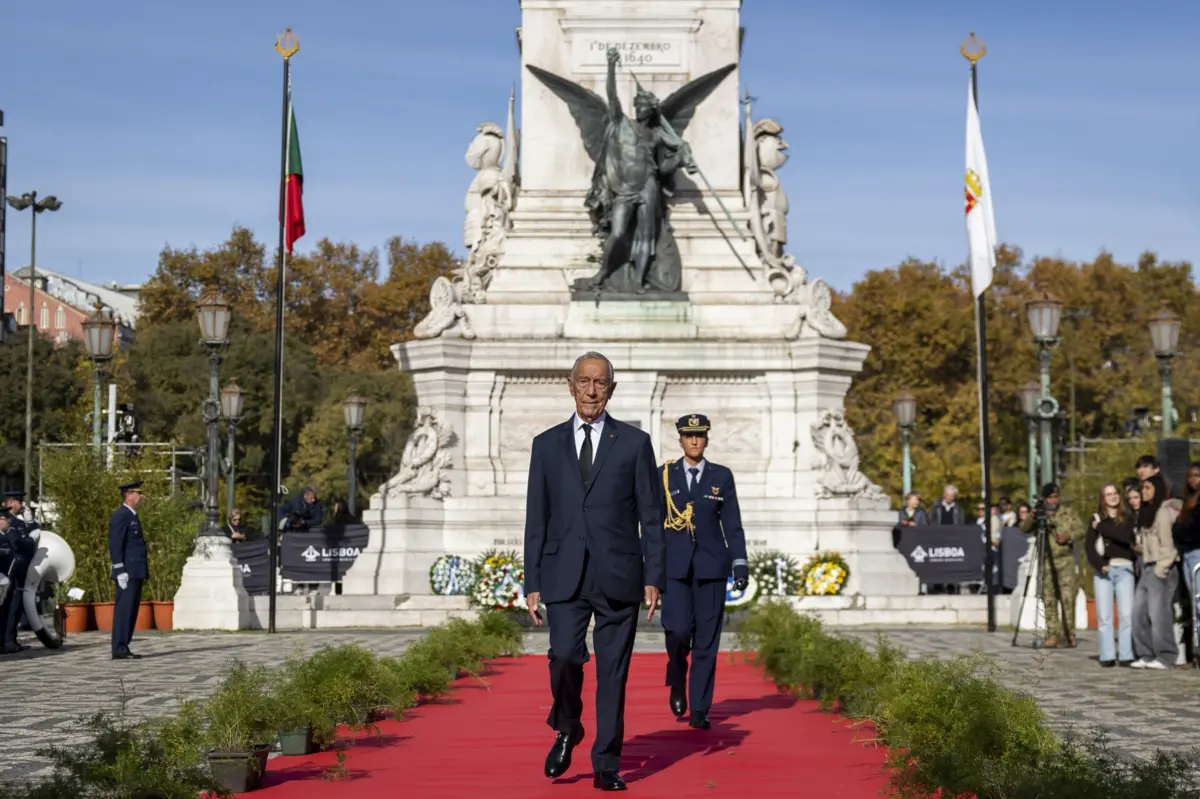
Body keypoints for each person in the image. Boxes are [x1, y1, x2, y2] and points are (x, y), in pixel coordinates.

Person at [523, 351, 665, 792]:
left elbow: (652, 516)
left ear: (611, 389)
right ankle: (567, 726)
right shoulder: (545, 445)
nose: (591, 390)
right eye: (583, 382)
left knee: (612, 675)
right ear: (570, 385)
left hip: (619, 574)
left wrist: (653, 576)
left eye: (600, 383)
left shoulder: (635, 443)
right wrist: (532, 581)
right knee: (563, 656)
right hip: (563, 573)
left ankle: (606, 763)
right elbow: (536, 517)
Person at [659, 414, 748, 729]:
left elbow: (732, 523)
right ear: (680, 439)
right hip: (675, 568)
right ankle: (677, 674)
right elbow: (653, 528)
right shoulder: (665, 476)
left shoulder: (720, 476)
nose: (694, 441)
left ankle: (699, 707)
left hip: (711, 566)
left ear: (706, 439)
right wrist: (651, 571)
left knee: (707, 641)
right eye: (688, 436)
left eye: (699, 436)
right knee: (679, 630)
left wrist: (740, 563)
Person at [1021, 482, 1083, 648]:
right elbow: (1024, 528)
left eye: (1056, 497)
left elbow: (1081, 530)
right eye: (1050, 497)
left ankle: (1069, 634)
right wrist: (1033, 516)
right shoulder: (1040, 516)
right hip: (1047, 561)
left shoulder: (1068, 513)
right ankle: (1052, 635)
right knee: (1048, 598)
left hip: (1065, 561)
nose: (1054, 500)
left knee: (1068, 598)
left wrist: (1068, 536)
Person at [1131, 474, 1179, 669]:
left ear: (1157, 490)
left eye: (1147, 488)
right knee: (1138, 613)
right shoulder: (1147, 513)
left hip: (1161, 568)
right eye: (1143, 489)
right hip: (1147, 567)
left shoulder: (1163, 513)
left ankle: (1166, 656)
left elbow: (1169, 548)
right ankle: (1146, 654)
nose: (1143, 492)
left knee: (1159, 615)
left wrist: (1160, 570)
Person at [1086, 483, 1136, 667]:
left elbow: (1124, 537)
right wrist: (1100, 565)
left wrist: (1100, 527)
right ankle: (1107, 655)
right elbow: (1089, 547)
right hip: (1104, 571)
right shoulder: (1095, 518)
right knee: (1104, 616)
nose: (1113, 497)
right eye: (1108, 494)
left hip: (1125, 569)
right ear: (1103, 498)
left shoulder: (1127, 517)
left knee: (1126, 615)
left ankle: (1126, 654)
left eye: (1115, 493)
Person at [109, 481, 149, 660]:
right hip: (127, 571)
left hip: (136, 569)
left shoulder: (132, 515)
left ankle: (124, 645)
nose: (141, 497)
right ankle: (119, 647)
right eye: (138, 493)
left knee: (131, 609)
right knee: (124, 609)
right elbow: (116, 545)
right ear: (129, 495)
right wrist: (119, 570)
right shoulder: (122, 515)